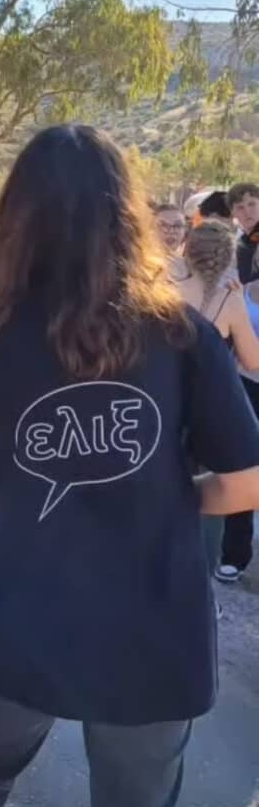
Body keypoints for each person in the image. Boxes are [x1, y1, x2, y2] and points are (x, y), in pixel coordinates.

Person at [0, 125, 259, 807]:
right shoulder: (182, 336)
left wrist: (28, 463)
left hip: (22, 628)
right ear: (126, 216)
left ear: (16, 220)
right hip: (155, 638)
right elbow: (248, 482)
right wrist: (174, 494)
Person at [177, 219, 259, 585]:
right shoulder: (230, 299)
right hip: (209, 415)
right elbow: (253, 360)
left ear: (187, 250)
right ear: (227, 257)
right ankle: (203, 583)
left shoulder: (162, 291)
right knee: (213, 496)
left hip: (161, 408)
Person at [220, 182, 259, 581]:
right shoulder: (237, 256)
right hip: (245, 380)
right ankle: (235, 554)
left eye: (253, 203)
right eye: (241, 206)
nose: (248, 211)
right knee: (244, 462)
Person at [153, 204, 188, 281]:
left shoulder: (193, 269)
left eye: (177, 226)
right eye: (163, 225)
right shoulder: (138, 267)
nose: (171, 231)